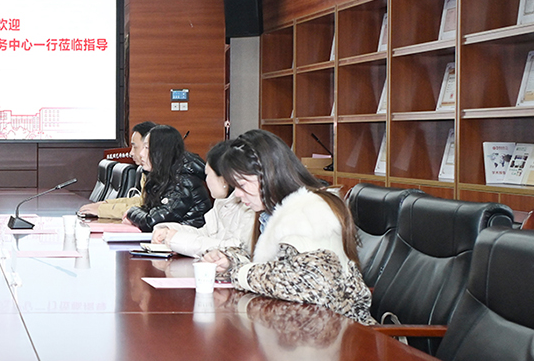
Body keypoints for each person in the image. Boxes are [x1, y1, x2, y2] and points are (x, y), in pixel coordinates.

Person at [201, 130, 374, 324]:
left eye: (242, 185)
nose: (238, 195)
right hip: (302, 325)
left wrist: (240, 273)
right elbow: (269, 263)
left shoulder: (311, 213)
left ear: (267, 175)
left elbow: (311, 282)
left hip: (337, 331)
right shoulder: (271, 212)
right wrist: (230, 261)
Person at [151, 139, 256, 256]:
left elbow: (237, 249)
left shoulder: (250, 206)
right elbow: (205, 234)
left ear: (224, 178)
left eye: (207, 174)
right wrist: (169, 230)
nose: (206, 180)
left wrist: (177, 239)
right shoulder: (221, 204)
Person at [124, 124, 212, 232]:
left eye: (146, 148)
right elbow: (151, 211)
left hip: (187, 239)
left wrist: (131, 212)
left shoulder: (184, 181)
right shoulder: (164, 175)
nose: (141, 154)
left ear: (161, 151)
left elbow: (152, 221)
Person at [79, 120, 157, 219]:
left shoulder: (166, 174)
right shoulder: (146, 171)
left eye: (135, 147)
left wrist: (103, 210)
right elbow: (142, 202)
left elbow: (144, 209)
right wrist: (105, 204)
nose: (131, 153)